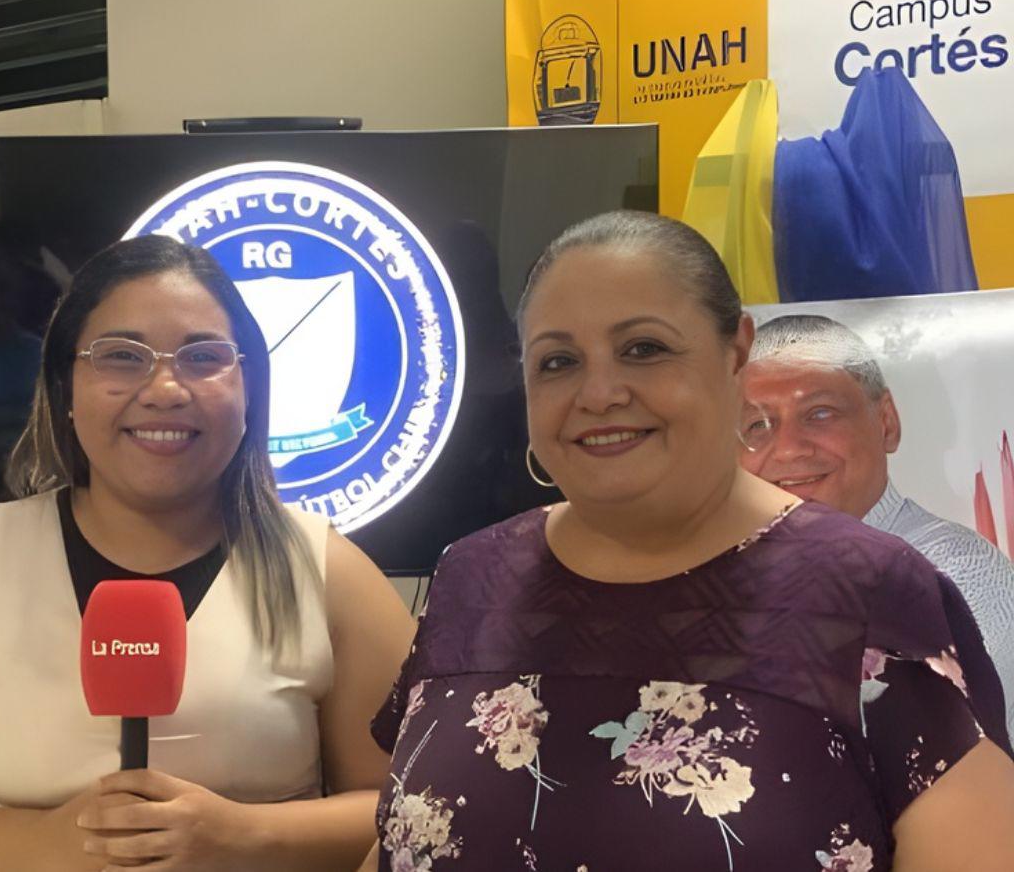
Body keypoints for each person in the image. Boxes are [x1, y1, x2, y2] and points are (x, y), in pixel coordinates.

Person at [360, 211, 1014, 872]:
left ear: (736, 354)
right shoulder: (470, 577)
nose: (600, 393)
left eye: (644, 349)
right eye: (558, 362)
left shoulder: (871, 590)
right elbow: (404, 837)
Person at [0, 235, 415, 872]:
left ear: (250, 387)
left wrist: (243, 835)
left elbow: (416, 806)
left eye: (204, 356)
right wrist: (52, 843)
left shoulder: (328, 572)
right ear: (65, 386)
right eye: (121, 356)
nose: (165, 388)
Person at [738, 313, 1014, 739]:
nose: (788, 448)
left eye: (820, 413)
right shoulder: (724, 580)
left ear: (886, 421)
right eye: (757, 424)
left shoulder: (952, 574)